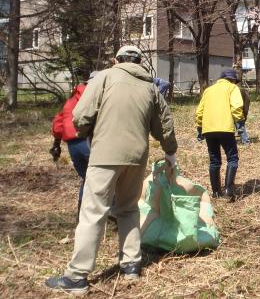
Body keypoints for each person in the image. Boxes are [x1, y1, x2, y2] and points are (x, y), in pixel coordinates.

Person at [45, 46, 177, 294]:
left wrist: (85, 134)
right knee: (128, 209)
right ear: (139, 62)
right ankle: (131, 265)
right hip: (137, 157)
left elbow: (81, 114)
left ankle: (76, 277)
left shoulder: (105, 76)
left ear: (116, 60)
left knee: (94, 212)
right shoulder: (150, 86)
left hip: (105, 154)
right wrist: (170, 152)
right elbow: (165, 124)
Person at [49, 72, 97, 215]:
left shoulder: (72, 98)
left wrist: (56, 143)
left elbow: (58, 122)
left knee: (87, 178)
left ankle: (81, 214)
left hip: (72, 145)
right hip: (87, 140)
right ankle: (112, 214)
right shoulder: (93, 96)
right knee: (103, 177)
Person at [195, 69, 245, 199]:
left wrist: (199, 127)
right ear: (232, 80)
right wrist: (240, 124)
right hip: (225, 128)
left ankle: (216, 192)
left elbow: (199, 111)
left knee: (214, 161)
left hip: (208, 130)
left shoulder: (208, 90)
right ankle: (229, 190)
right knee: (232, 158)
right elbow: (236, 107)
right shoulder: (232, 88)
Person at [231, 74, 251, 146]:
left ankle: (244, 141)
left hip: (235, 111)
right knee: (241, 124)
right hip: (240, 112)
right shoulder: (243, 90)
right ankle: (245, 141)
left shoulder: (235, 90)